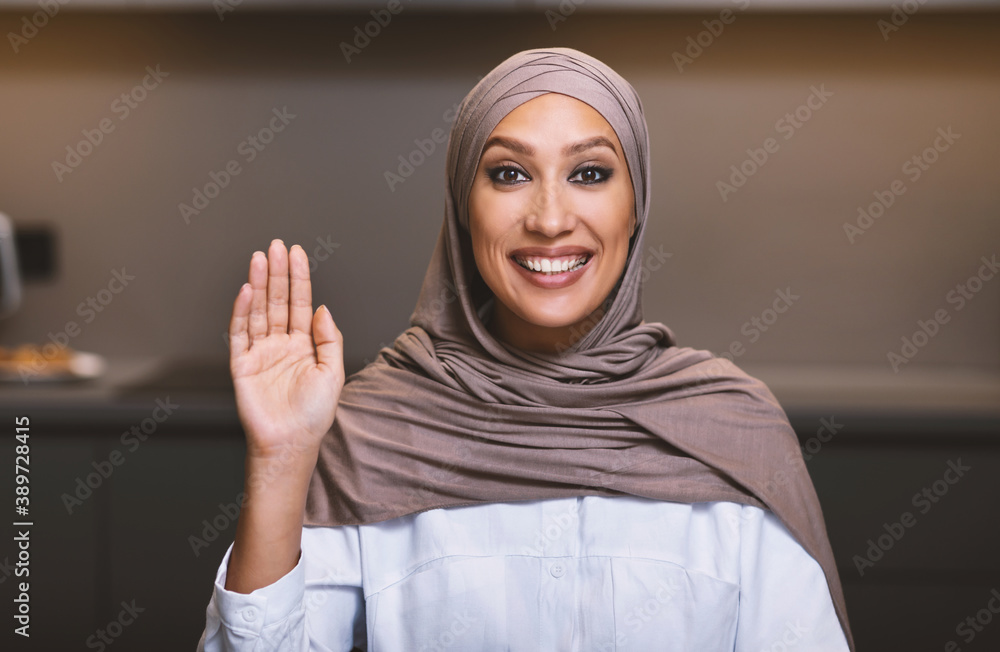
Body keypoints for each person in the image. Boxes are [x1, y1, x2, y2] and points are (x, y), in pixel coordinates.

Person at [197, 47, 854, 651]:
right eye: (509, 174)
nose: (548, 218)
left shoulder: (732, 431)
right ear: (463, 207)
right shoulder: (369, 428)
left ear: (636, 206)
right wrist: (281, 463)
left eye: (590, 173)